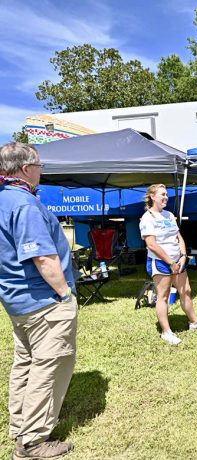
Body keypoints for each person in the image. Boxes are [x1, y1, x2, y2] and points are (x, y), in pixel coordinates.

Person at [0, 142, 76, 459]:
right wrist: (65, 294)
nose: (41, 171)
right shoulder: (24, 204)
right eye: (40, 166)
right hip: (43, 301)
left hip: (17, 300)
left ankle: (20, 425)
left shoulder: (4, 199)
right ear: (26, 168)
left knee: (27, 363)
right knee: (49, 366)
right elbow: (43, 258)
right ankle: (32, 441)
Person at [140, 184, 197, 346]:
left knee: (186, 291)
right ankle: (166, 332)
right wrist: (170, 262)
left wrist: (184, 256)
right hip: (161, 262)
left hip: (178, 261)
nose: (166, 197)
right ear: (152, 197)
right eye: (162, 194)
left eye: (167, 194)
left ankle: (194, 322)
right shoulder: (147, 218)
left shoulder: (169, 215)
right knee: (163, 296)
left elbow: (178, 237)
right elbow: (151, 245)